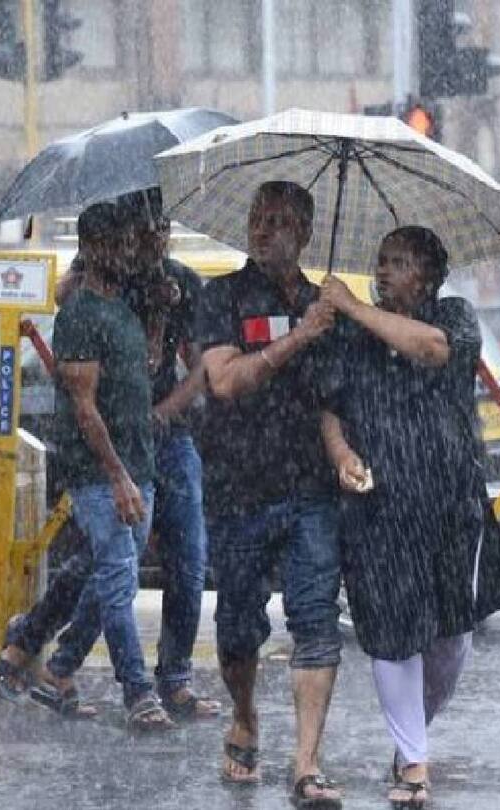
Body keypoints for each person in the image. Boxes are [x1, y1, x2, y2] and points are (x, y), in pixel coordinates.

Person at [0, 196, 218, 723]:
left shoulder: (181, 281)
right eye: (142, 229)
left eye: (160, 228)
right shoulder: (108, 277)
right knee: (108, 561)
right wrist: (99, 267)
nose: (152, 238)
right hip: (108, 442)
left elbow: (202, 366)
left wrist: (165, 409)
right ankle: (67, 661)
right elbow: (64, 304)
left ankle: (168, 677)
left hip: (165, 434)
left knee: (184, 560)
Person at [318, 226, 500, 808]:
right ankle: (413, 760)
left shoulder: (453, 317)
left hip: (449, 504)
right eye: (380, 261)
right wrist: (341, 453)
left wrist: (352, 304)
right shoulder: (350, 333)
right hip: (380, 508)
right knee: (392, 633)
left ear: (427, 277)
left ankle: (413, 735)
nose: (383, 273)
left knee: (452, 636)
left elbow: (430, 350)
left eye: (398, 263)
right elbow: (330, 406)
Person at [196, 181, 343, 805]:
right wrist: (299, 337)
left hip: (309, 488)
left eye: (280, 221)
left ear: (304, 233)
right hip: (239, 488)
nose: (264, 229)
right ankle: (246, 715)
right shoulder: (222, 297)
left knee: (315, 619)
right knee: (236, 629)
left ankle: (306, 762)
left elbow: (335, 398)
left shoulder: (325, 305)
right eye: (258, 218)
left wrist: (342, 453)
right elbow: (226, 381)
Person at [44, 200, 171, 730]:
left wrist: (160, 315)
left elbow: (145, 367)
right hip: (101, 473)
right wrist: (117, 477)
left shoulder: (122, 307)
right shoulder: (79, 315)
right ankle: (139, 693)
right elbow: (83, 405)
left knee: (109, 574)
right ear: (94, 249)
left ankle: (59, 666)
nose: (129, 252)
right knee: (119, 580)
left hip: (136, 464)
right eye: (119, 244)